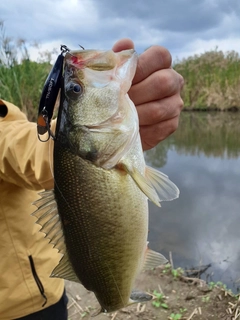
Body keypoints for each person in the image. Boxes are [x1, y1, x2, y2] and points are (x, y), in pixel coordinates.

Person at [0, 38, 183, 320]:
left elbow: (20, 149)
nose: (77, 86)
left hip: (42, 297)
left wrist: (114, 135)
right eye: (76, 89)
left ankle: (114, 297)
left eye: (75, 90)